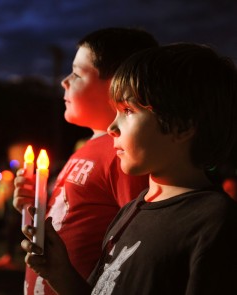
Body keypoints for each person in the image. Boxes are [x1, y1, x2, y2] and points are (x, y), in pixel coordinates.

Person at [21, 43, 237, 294]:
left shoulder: (214, 224)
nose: (112, 127)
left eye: (128, 110)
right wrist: (60, 273)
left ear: (181, 126)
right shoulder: (130, 209)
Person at [12, 27, 158, 294]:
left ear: (119, 83)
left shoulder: (123, 154)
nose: (64, 81)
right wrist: (33, 206)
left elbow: (136, 245)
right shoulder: (88, 149)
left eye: (77, 73)